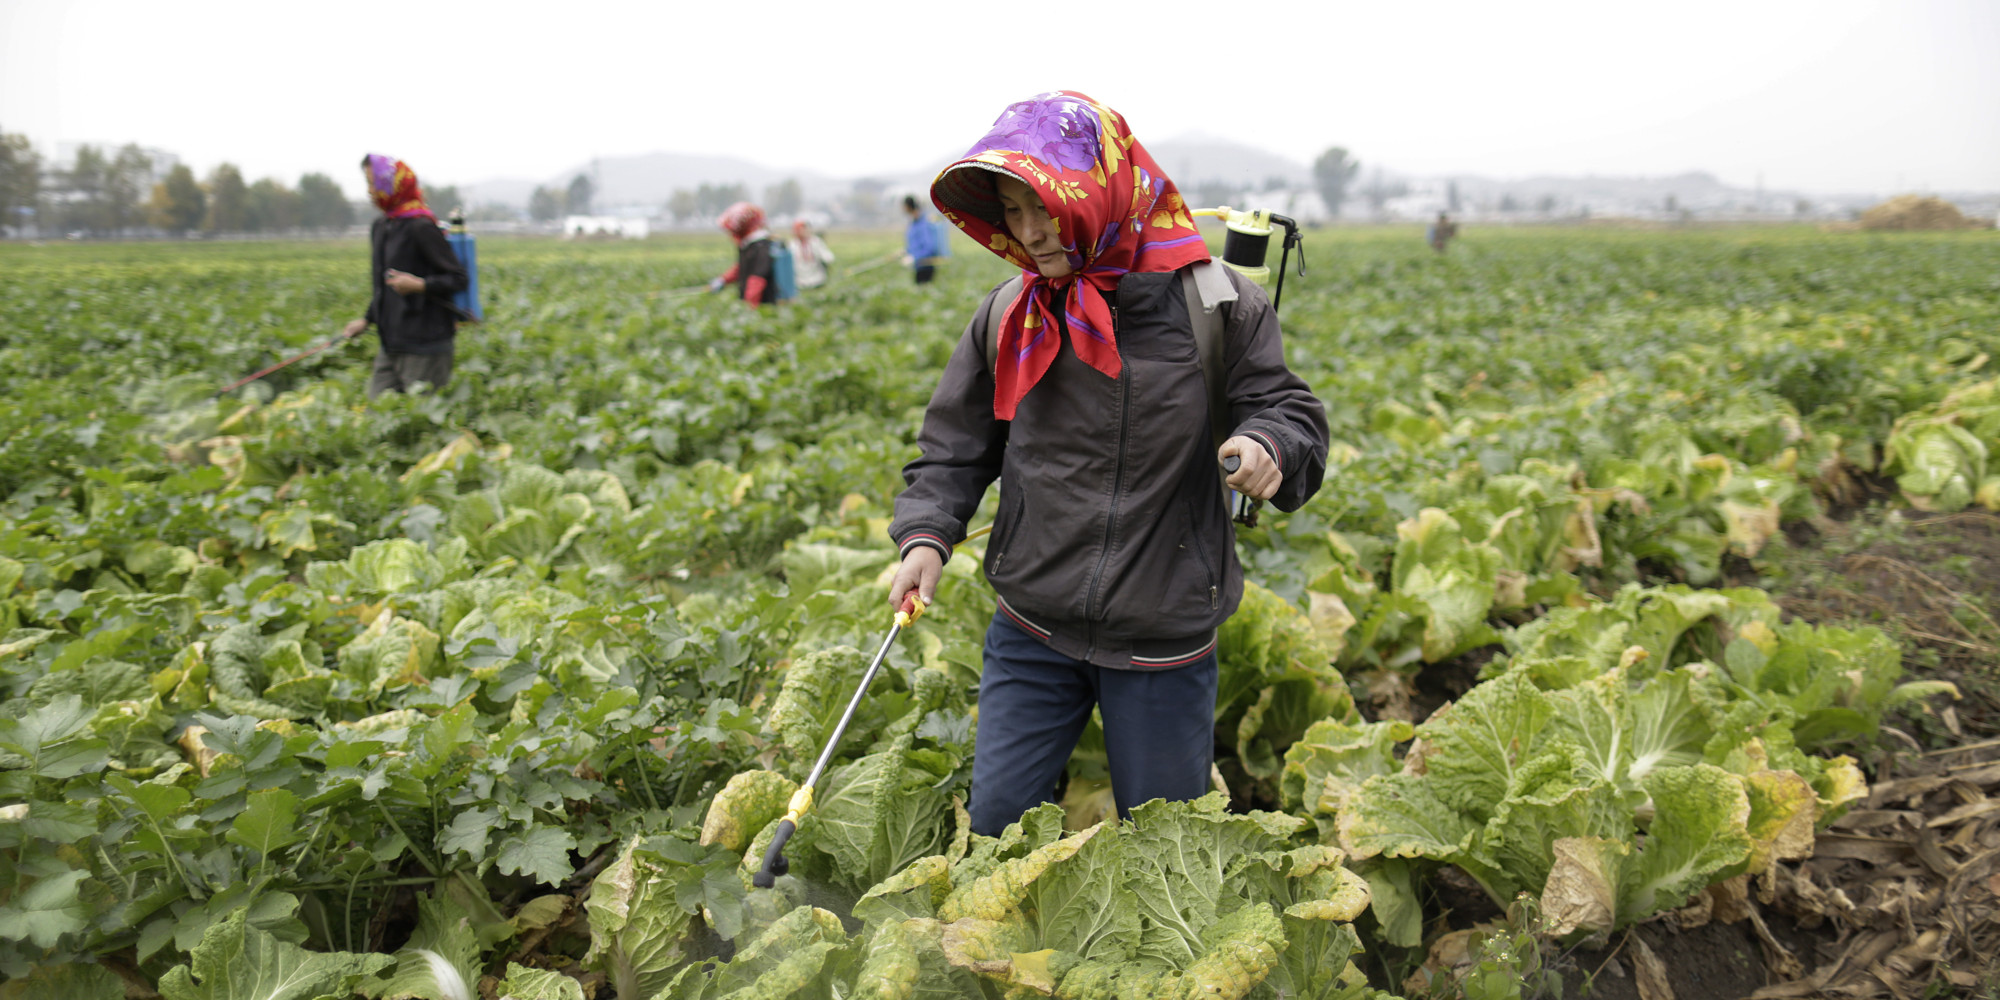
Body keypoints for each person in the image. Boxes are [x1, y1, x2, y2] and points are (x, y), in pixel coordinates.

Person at [886, 91, 1330, 835]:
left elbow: (1290, 412)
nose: (1030, 233)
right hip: (1032, 623)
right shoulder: (1012, 314)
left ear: (1098, 192)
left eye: (1045, 208)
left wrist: (1268, 446)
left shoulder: (1217, 307)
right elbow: (955, 448)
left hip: (1164, 635)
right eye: (1012, 211)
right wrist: (926, 534)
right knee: (997, 829)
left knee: (1168, 854)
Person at [341, 155, 468, 398]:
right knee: (377, 415)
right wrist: (367, 320)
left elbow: (458, 278)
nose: (369, 192)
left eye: (372, 183)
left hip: (426, 346)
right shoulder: (382, 227)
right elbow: (383, 285)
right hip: (391, 343)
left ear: (392, 184)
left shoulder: (421, 226)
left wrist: (420, 285)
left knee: (422, 424)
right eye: (367, 184)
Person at [708, 202, 780, 307]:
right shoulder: (750, 245)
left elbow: (757, 279)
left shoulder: (761, 247)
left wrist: (748, 306)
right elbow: (742, 267)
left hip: (764, 305)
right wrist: (723, 280)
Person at [902, 194, 942, 284]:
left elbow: (929, 246)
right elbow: (915, 243)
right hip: (919, 265)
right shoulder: (913, 223)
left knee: (923, 288)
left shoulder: (924, 223)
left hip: (926, 265)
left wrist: (914, 257)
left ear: (908, 207)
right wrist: (907, 251)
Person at [789, 219, 835, 290]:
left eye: (805, 229)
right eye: (801, 229)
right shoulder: (792, 245)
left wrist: (826, 259)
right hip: (798, 279)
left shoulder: (816, 242)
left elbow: (828, 256)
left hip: (817, 277)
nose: (804, 231)